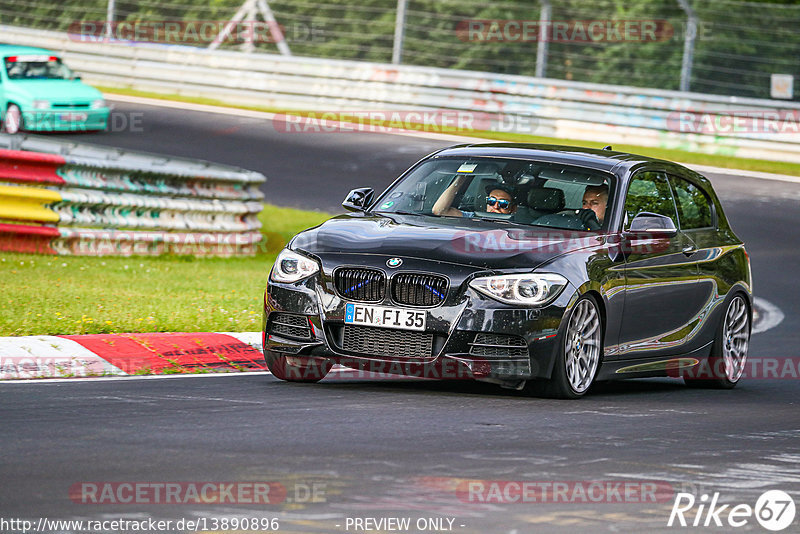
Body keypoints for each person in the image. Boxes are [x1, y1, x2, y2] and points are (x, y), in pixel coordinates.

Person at [432, 175, 517, 217]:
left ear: (513, 209)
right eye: (491, 201)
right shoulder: (474, 217)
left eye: (503, 203)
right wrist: (461, 178)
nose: (495, 207)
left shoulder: (519, 224)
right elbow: (439, 211)